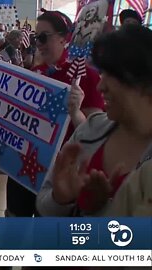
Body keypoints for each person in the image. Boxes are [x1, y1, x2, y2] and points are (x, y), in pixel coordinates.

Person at [37, 25, 152, 217]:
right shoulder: (90, 130)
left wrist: (103, 208)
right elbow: (44, 206)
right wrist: (62, 198)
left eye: (112, 75)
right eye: (102, 73)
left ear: (144, 81)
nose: (100, 86)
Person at [5, 9, 105, 218]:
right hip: (22, 166)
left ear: (64, 38)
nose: (38, 43)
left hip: (59, 174)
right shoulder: (35, 74)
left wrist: (76, 112)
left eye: (43, 37)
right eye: (35, 37)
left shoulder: (88, 77)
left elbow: (95, 135)